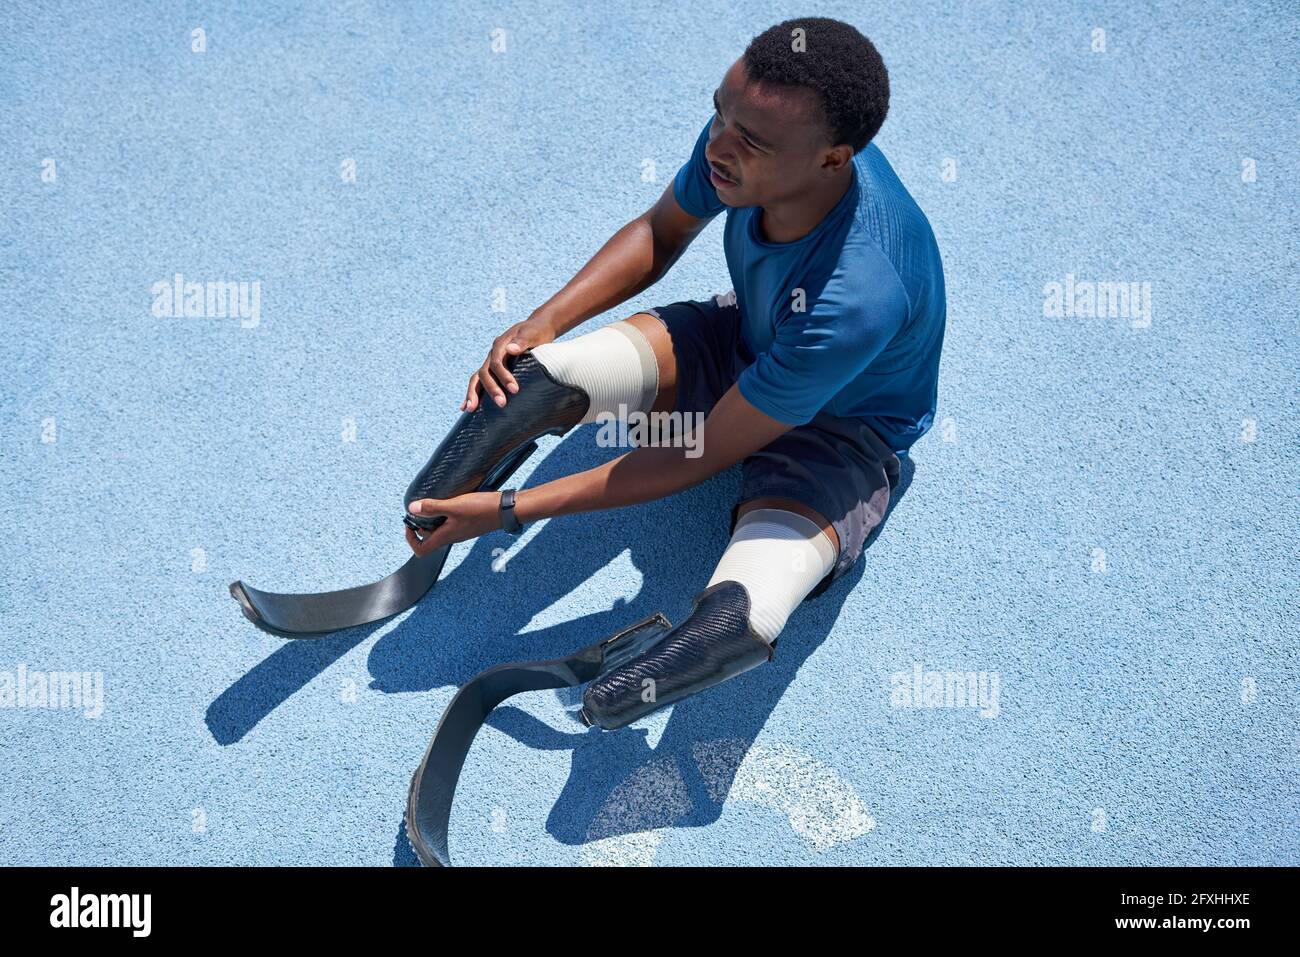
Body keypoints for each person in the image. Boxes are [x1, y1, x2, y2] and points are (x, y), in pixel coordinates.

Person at [404, 17, 946, 730]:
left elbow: (701, 450)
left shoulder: (857, 295)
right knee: (534, 380)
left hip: (841, 433)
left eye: (750, 139)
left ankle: (641, 687)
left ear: (831, 159)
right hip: (744, 336)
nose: (718, 144)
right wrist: (542, 323)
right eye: (720, 110)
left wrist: (510, 511)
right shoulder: (745, 138)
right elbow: (661, 232)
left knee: (737, 617)